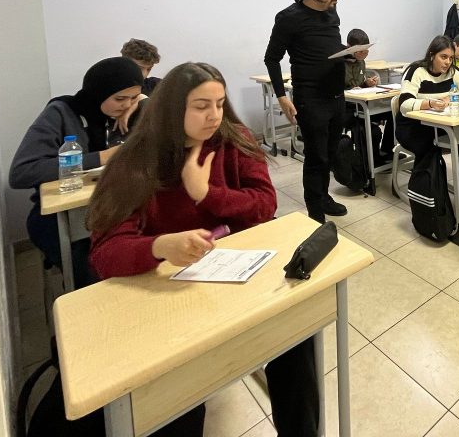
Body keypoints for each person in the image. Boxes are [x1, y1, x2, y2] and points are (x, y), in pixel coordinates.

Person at [87, 62, 318, 436]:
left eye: (220, 104)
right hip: (171, 298)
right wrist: (159, 246)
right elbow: (105, 252)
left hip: (238, 277)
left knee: (296, 337)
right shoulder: (136, 159)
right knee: (177, 398)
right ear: (173, 109)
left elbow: (264, 204)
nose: (214, 116)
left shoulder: (234, 140)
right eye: (201, 106)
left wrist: (207, 193)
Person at [9, 56, 144, 288]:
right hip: (60, 214)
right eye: (120, 98)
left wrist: (142, 103)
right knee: (90, 271)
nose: (126, 105)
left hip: (111, 205)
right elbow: (22, 172)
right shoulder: (61, 113)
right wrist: (101, 157)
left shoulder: (127, 113)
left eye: (133, 98)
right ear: (99, 93)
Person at [265, 0, 348, 223]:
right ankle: (314, 208)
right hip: (311, 98)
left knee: (330, 152)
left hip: (336, 95)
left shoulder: (331, 12)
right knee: (316, 155)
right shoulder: (289, 17)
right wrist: (282, 96)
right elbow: (272, 59)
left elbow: (328, 46)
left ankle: (324, 197)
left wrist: (349, 53)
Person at [398, 35, 459, 197]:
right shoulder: (416, 71)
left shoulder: (452, 71)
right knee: (430, 149)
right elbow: (404, 104)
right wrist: (430, 103)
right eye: (443, 57)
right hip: (413, 126)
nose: (448, 62)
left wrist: (449, 98)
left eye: (450, 58)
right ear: (431, 55)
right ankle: (432, 191)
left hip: (441, 124)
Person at [344, 28, 394, 162]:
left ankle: (386, 150)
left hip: (363, 104)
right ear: (349, 47)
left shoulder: (361, 62)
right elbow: (337, 88)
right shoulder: (339, 63)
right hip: (347, 108)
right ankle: (370, 161)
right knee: (371, 130)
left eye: (366, 50)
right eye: (360, 51)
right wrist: (350, 90)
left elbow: (359, 84)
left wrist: (367, 83)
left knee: (393, 113)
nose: (364, 54)